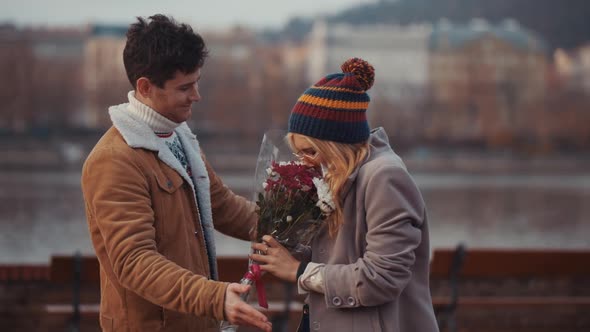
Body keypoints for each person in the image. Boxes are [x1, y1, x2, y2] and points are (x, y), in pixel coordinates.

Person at [81, 15, 271, 332]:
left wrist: (295, 226)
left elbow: (222, 205)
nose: (196, 95)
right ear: (145, 87)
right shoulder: (114, 161)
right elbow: (135, 262)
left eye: (196, 83)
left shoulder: (177, 135)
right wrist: (215, 297)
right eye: (185, 87)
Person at [251, 58, 439, 332]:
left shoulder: (384, 177)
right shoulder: (338, 176)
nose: (304, 163)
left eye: (311, 151)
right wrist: (286, 247)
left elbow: (381, 278)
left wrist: (299, 272)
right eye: (298, 152)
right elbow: (337, 256)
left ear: (336, 145)